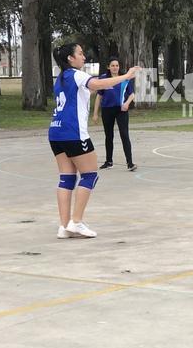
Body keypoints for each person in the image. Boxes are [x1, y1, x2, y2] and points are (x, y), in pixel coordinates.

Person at [49, 43, 141, 239]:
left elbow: (90, 87)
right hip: (73, 133)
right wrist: (126, 76)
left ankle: (64, 226)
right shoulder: (76, 74)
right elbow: (97, 85)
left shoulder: (61, 79)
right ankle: (76, 221)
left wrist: (107, 80)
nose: (84, 57)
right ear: (70, 59)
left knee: (66, 178)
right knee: (90, 175)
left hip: (56, 132)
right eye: (80, 54)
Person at [92, 56, 136, 171]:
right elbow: (99, 96)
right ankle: (109, 161)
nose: (115, 67)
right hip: (107, 110)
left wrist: (127, 103)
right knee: (109, 136)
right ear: (108, 67)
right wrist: (95, 113)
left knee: (124, 135)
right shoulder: (103, 79)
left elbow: (132, 94)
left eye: (117, 65)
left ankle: (130, 163)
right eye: (112, 65)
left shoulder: (124, 78)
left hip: (121, 110)